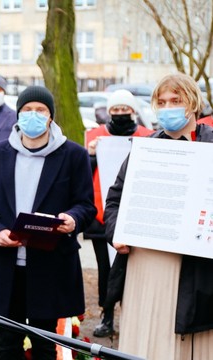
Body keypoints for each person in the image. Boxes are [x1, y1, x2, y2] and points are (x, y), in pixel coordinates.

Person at [0, 86, 95, 360]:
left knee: (44, 344)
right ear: (17, 115)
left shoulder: (73, 155)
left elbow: (86, 205)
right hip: (7, 265)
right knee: (8, 343)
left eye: (41, 110)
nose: (33, 116)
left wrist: (72, 219)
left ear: (51, 116)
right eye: (27, 110)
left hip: (50, 264)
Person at [104, 73, 213, 359]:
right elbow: (114, 200)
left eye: (176, 100)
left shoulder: (211, 146)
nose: (168, 107)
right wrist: (118, 234)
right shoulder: (145, 148)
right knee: (146, 340)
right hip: (144, 266)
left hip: (192, 271)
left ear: (192, 102)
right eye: (162, 102)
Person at [81, 90, 153, 338]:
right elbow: (84, 178)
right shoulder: (95, 137)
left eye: (125, 109)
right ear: (108, 112)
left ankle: (135, 316)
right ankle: (107, 315)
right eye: (116, 109)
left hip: (138, 216)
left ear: (133, 111)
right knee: (106, 270)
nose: (120, 114)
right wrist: (91, 156)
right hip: (102, 217)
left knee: (137, 270)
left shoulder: (148, 136)